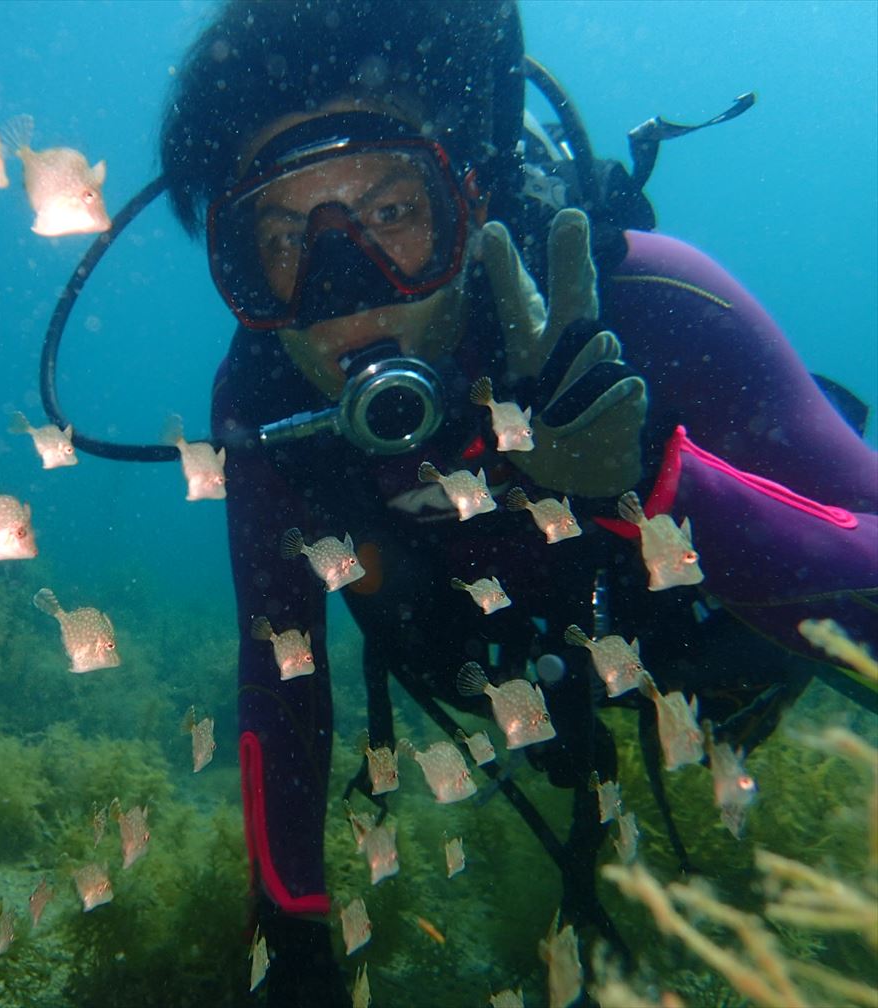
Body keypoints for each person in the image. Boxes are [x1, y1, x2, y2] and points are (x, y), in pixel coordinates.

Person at [146, 1, 878, 1003]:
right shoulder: (269, 406)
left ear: (472, 195)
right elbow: (282, 667)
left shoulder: (655, 305)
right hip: (503, 677)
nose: (342, 288)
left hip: (706, 657)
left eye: (394, 213)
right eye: (281, 239)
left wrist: (660, 480)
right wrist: (294, 928)